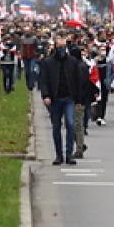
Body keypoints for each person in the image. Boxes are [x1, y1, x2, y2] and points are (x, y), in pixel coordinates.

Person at [38, 35, 84, 166]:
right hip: (55, 98)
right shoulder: (48, 62)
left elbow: (78, 81)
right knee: (56, 126)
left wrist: (79, 99)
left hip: (69, 98)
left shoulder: (73, 62)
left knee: (70, 124)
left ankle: (69, 154)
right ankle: (59, 155)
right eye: (60, 47)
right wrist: (45, 96)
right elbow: (44, 81)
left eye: (64, 47)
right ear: (55, 47)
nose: (62, 50)